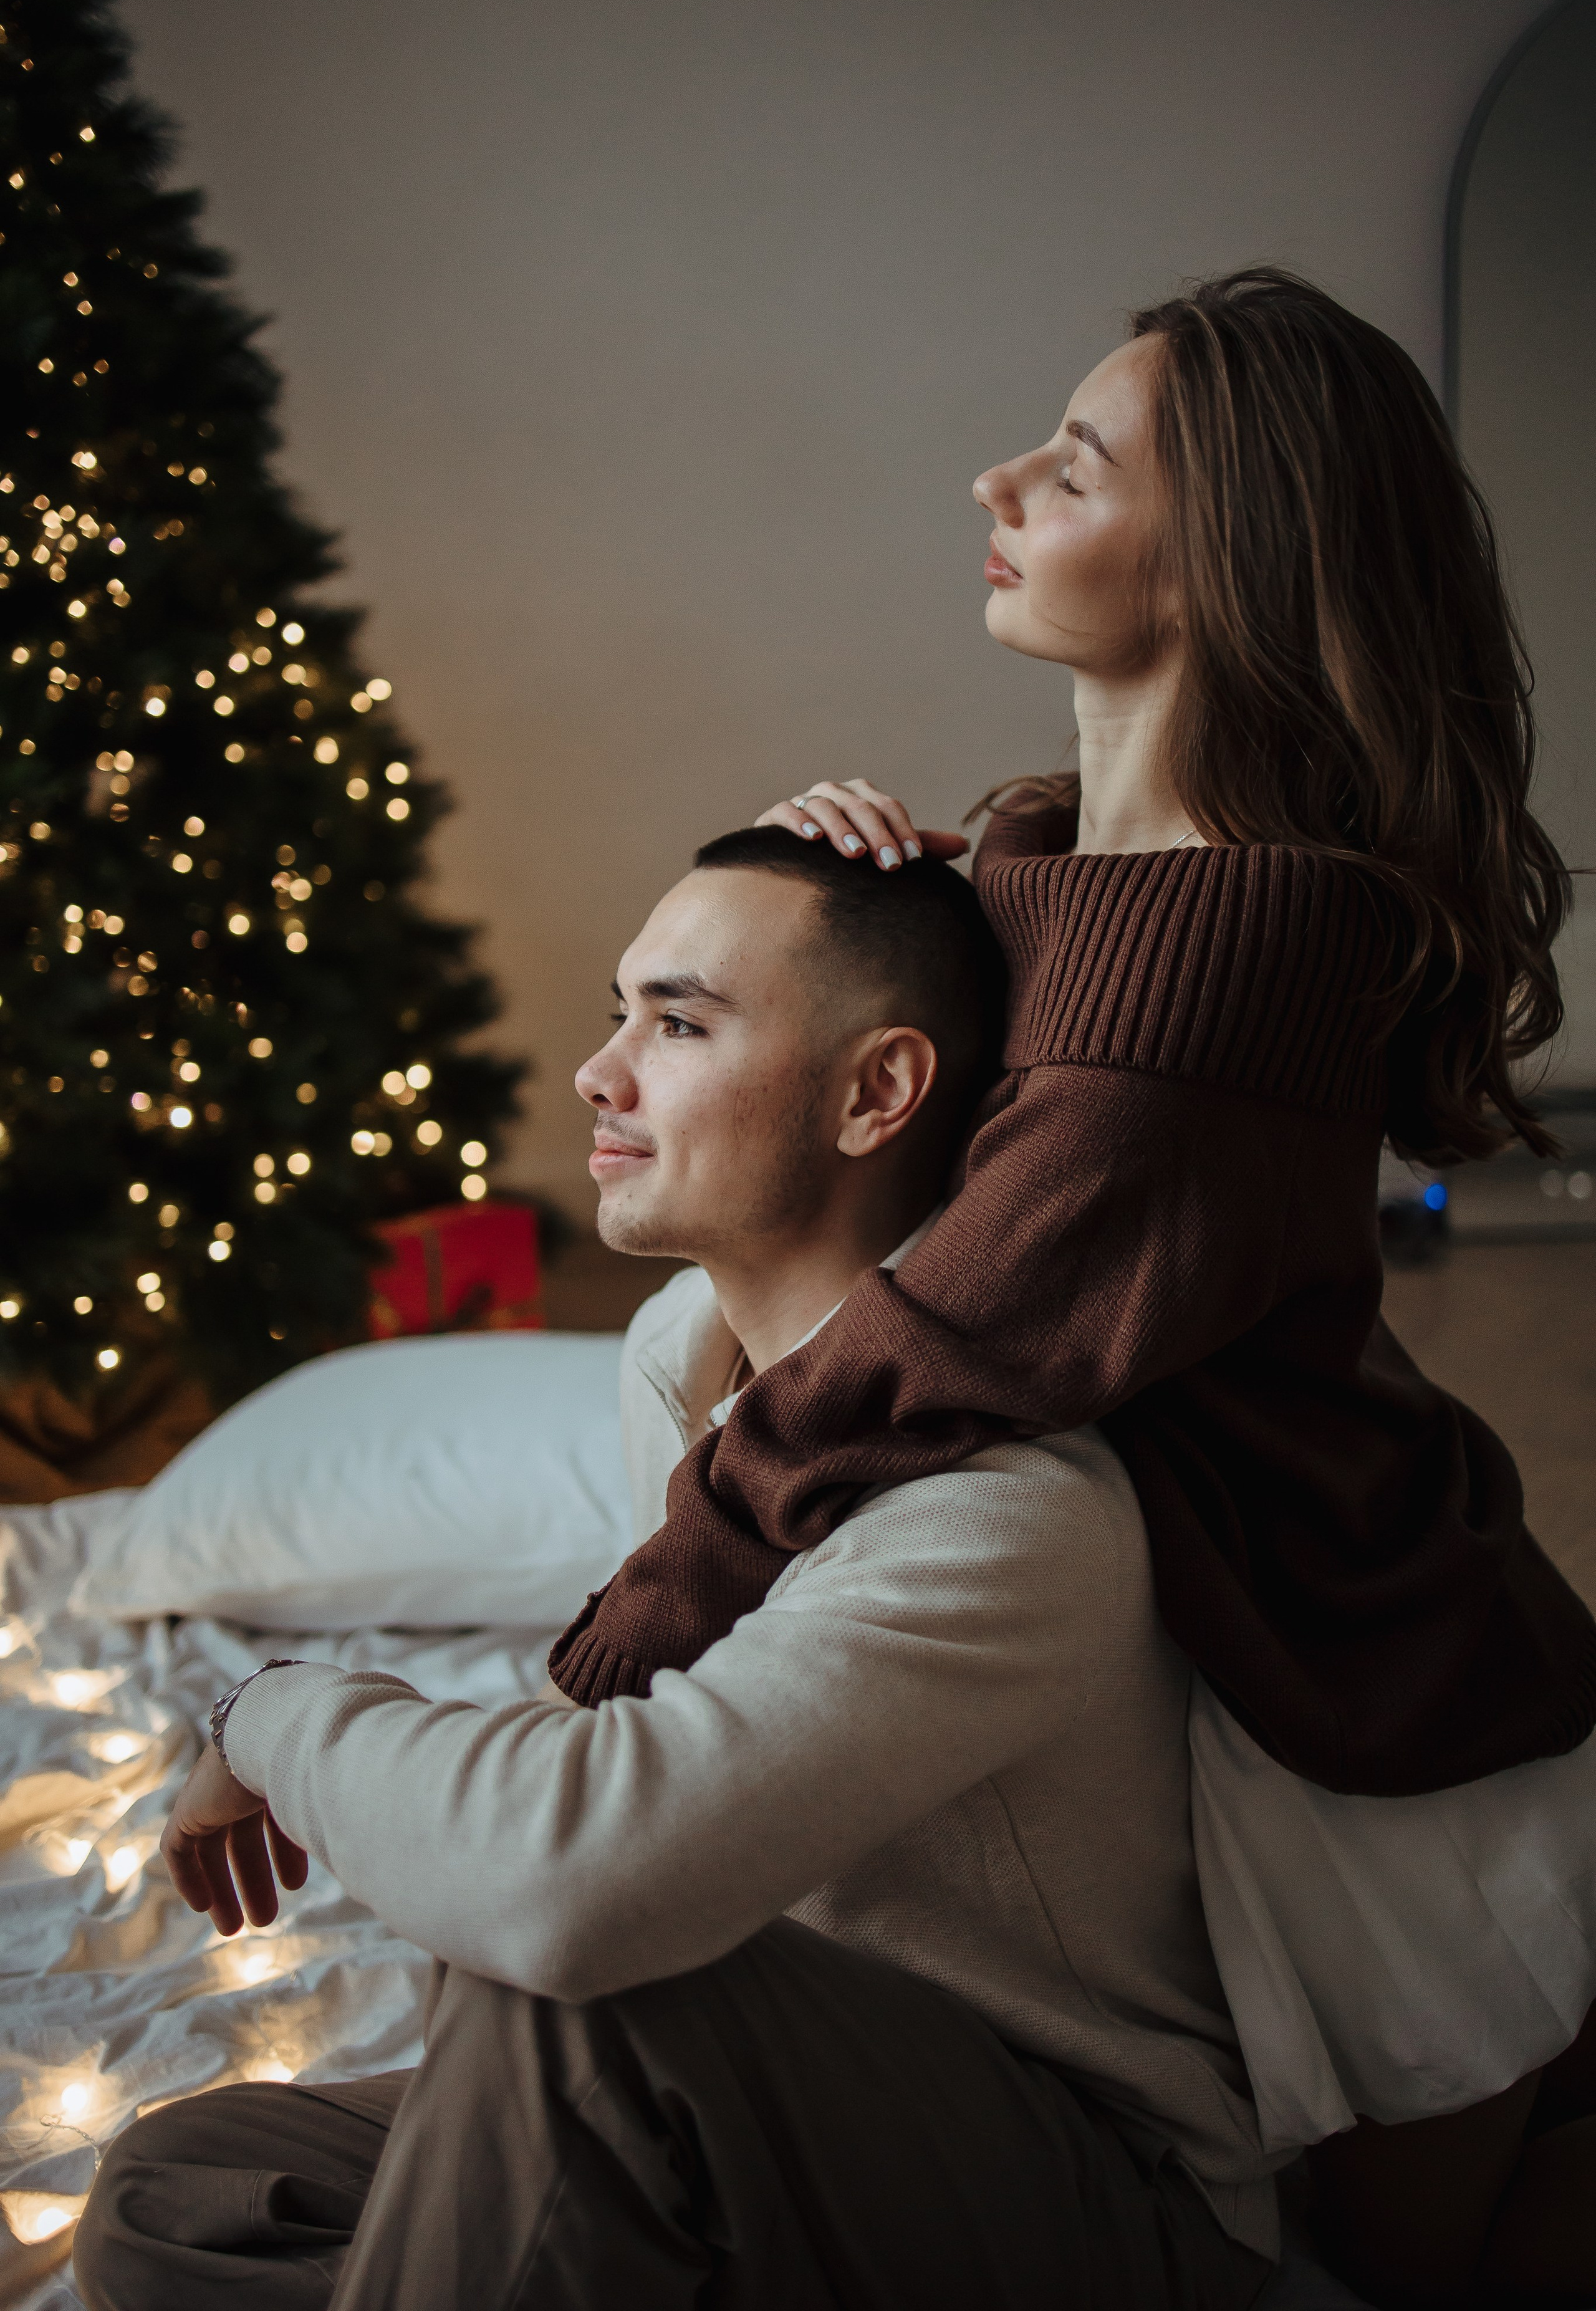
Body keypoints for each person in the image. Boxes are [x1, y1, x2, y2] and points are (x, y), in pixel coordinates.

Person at [544, 269, 1596, 2303]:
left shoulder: (1256, 940)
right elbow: (893, 1105)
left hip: (1381, 1706)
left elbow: (940, 1340)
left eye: (1077, 461)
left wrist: (640, 1630)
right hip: (1238, 1654)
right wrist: (839, 888)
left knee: (1418, 2272)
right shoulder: (1036, 850)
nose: (995, 478)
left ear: (1233, 554)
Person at [76, 830, 1279, 2311]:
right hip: (741, 2105)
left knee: (571, 1989)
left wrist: (276, 1712)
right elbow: (813, 962)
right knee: (179, 2184)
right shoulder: (684, 1360)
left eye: (678, 1024)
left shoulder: (997, 1513)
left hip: (1079, 2187)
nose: (597, 1071)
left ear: (877, 1095)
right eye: (618, 1010)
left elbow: (576, 1882)